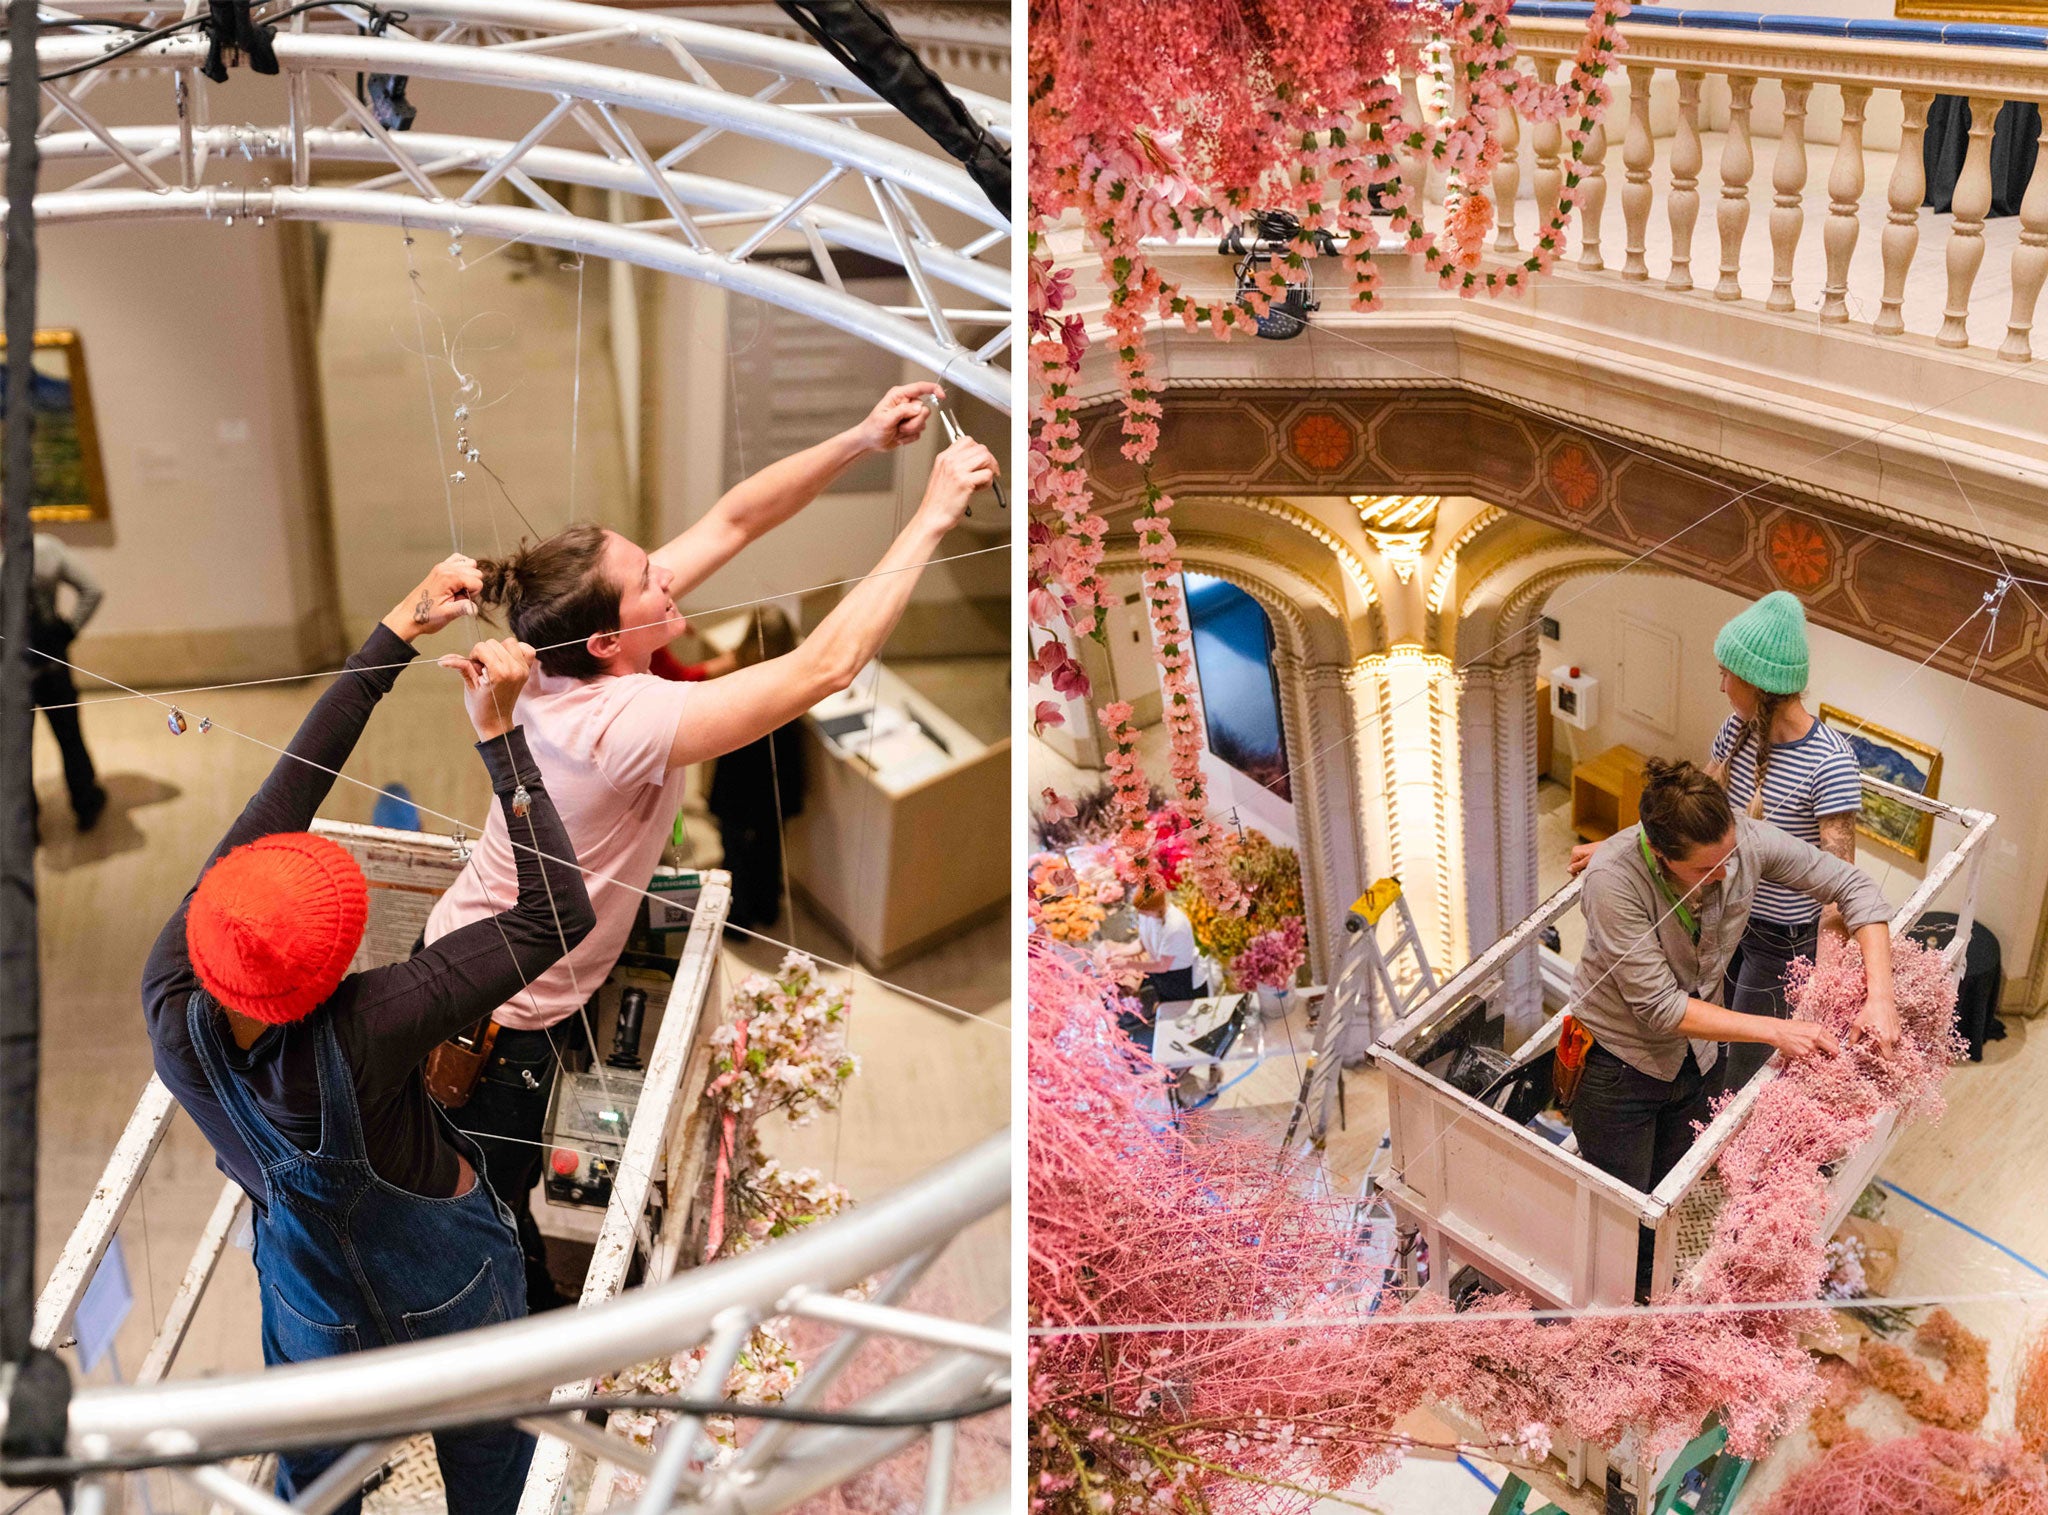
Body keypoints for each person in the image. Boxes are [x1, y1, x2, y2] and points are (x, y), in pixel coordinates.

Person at [424, 385, 996, 1310]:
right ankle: (524, 1337)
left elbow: (735, 516)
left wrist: (858, 436)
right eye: (651, 579)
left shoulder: (562, 652)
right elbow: (825, 667)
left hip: (498, 971)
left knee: (495, 1186)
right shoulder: (621, 718)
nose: (670, 580)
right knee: (494, 1199)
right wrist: (931, 515)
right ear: (610, 638)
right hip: (497, 1018)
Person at [141, 555, 595, 1513]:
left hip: (310, 1299)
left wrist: (392, 631)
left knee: (317, 1477)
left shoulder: (172, 993)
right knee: (490, 1461)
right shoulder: (372, 1022)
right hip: (449, 1285)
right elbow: (559, 914)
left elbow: (286, 790)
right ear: (339, 957)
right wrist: (502, 737)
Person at [1570, 758, 1898, 1298]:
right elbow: (1660, 1009)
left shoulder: (1741, 841)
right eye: (1707, 870)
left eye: (1729, 858)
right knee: (1624, 1209)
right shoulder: (1613, 884)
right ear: (1660, 855)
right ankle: (1623, 1309)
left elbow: (1853, 885)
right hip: (1618, 1070)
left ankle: (1659, 1285)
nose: (1726, 874)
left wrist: (1880, 998)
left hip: (1697, 1061)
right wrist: (1777, 1030)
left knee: (1675, 1183)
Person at [1569, 593, 1864, 1088]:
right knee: (1710, 1035)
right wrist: (1621, 846)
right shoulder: (1736, 731)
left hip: (1780, 938)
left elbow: (1840, 885)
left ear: (1758, 684)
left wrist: (1826, 987)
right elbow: (1691, 808)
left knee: (1746, 1060)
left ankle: (1725, 1154)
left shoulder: (1830, 764)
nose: (1721, 683)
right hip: (1727, 912)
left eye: (1728, 673)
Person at [3, 531, 108, 832]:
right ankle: (85, 802)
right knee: (69, 737)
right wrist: (68, 630)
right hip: (50, 666)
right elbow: (93, 590)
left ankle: (27, 824)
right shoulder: (44, 550)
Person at [1131, 885, 1203, 1003]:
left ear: (1155, 908)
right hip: (1161, 975)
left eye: (1143, 911)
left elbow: (1162, 966)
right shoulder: (1147, 915)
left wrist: (1127, 964)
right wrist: (1117, 952)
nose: (1140, 913)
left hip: (1180, 978)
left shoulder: (1175, 926)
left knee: (1180, 1011)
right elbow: (1144, 942)